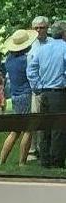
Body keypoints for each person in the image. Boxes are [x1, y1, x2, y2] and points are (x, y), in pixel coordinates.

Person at [31, 17, 66, 170]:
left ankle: (44, 159)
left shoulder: (42, 49)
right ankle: (57, 160)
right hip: (59, 92)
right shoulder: (64, 48)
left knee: (45, 127)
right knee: (59, 127)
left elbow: (31, 69)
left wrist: (37, 86)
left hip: (43, 92)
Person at [0, 29, 36, 169]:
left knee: (15, 130)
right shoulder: (26, 60)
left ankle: (2, 161)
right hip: (26, 95)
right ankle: (22, 162)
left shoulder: (9, 60)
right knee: (28, 130)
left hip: (15, 95)